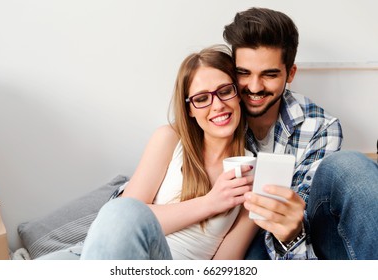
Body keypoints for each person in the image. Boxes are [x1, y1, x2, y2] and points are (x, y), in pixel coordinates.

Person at [75, 45, 259, 259]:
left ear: (238, 94)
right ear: (189, 108)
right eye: (201, 99)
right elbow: (123, 219)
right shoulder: (169, 139)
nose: (217, 105)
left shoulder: (254, 173)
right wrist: (210, 203)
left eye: (225, 91)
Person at [223, 7, 378, 260]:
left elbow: (301, 220)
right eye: (244, 73)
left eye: (269, 74)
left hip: (307, 243)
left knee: (351, 165)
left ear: (290, 74)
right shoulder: (217, 114)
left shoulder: (322, 128)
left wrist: (290, 233)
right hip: (241, 240)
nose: (254, 87)